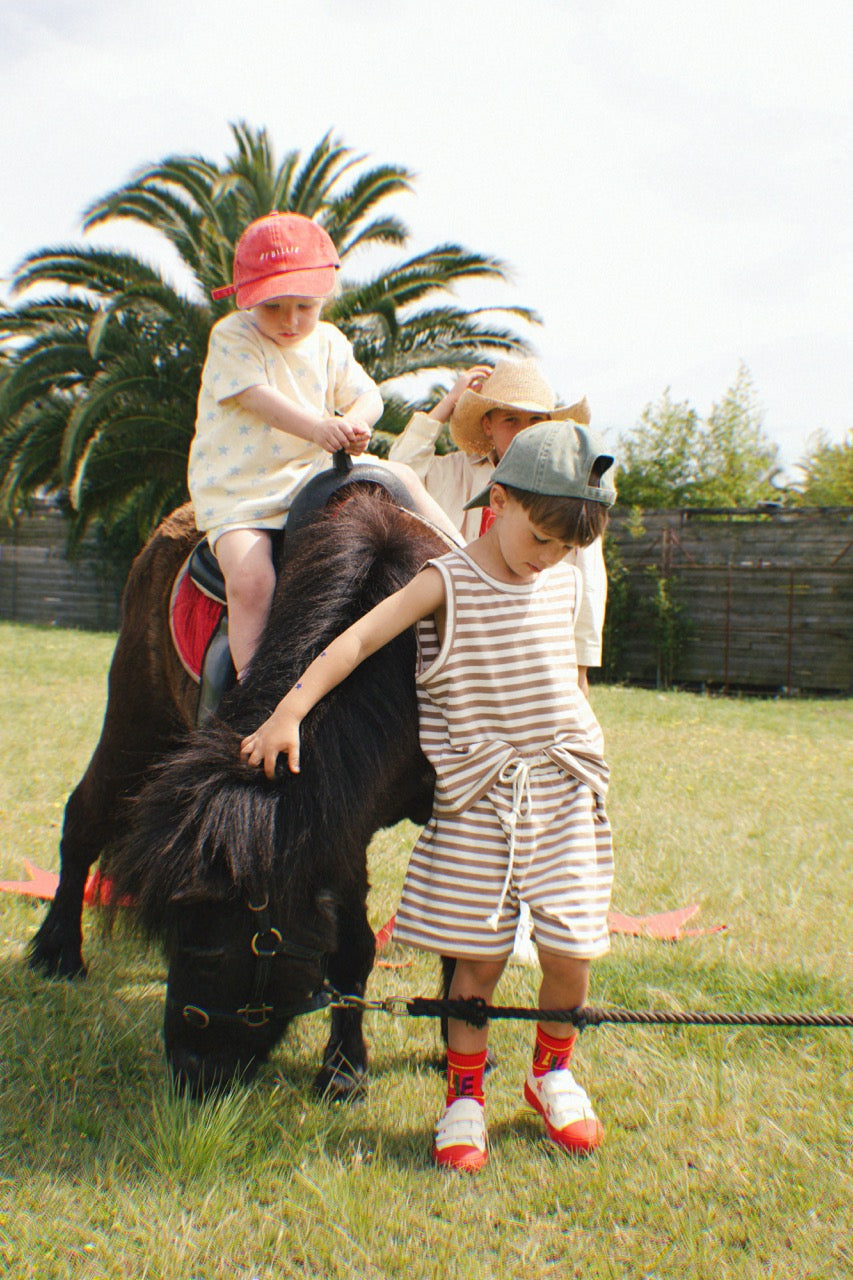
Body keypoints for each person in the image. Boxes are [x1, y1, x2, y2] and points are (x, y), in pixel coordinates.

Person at [240, 421, 616, 1172]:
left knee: (571, 952)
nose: (548, 558)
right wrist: (287, 709)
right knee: (475, 964)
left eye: (565, 548)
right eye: (539, 538)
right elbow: (352, 645)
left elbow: (565, 675)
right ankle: (464, 1099)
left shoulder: (563, 577)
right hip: (481, 798)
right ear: (498, 502)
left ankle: (552, 1074)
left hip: (565, 792)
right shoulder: (445, 581)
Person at [188, 211, 461, 678]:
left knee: (402, 478)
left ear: (325, 298)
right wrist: (318, 427)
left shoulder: (330, 342)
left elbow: (367, 394)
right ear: (248, 300)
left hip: (310, 476)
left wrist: (354, 421)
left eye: (305, 307)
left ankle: (467, 569)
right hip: (244, 491)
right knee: (253, 580)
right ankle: (257, 692)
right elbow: (256, 397)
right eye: (273, 307)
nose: (291, 320)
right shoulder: (234, 336)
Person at [389, 357, 607, 692]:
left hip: (533, 634)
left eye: (535, 420)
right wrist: (449, 403)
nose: (524, 431)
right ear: (487, 425)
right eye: (511, 420)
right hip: (458, 631)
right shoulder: (455, 471)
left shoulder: (569, 485)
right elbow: (397, 473)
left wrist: (580, 664)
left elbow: (588, 576)